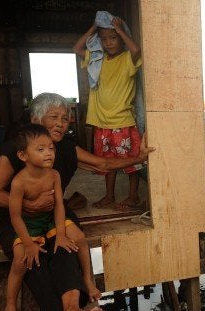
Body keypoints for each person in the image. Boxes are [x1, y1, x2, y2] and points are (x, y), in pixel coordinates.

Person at [0, 92, 154, 311]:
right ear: (36, 120)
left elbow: (101, 164)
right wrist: (28, 205)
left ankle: (73, 308)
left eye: (65, 119)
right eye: (53, 117)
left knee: (66, 249)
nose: (60, 124)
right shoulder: (16, 149)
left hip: (53, 212)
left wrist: (139, 158)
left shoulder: (65, 146)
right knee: (34, 260)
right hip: (16, 219)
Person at [5, 124, 100, 311]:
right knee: (20, 260)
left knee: (79, 238)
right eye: (40, 149)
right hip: (29, 224)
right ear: (23, 156)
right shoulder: (19, 182)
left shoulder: (54, 175)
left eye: (51, 148)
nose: (48, 153)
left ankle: (88, 280)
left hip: (49, 218)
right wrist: (28, 244)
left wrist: (62, 234)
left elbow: (58, 205)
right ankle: (10, 304)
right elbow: (15, 216)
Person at [73, 11, 144, 211]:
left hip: (123, 121)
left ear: (121, 38)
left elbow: (136, 48)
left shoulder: (127, 60)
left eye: (113, 38)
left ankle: (133, 196)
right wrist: (94, 28)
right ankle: (109, 196)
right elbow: (77, 47)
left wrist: (120, 30)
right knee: (107, 164)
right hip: (102, 123)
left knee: (131, 164)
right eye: (104, 39)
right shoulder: (97, 60)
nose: (108, 43)